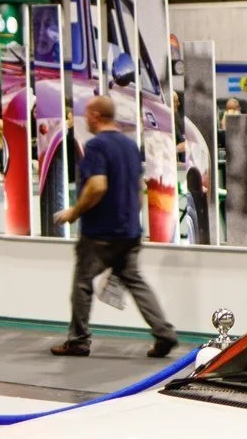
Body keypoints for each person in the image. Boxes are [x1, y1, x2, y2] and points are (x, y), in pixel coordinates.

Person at [52, 95, 180, 358]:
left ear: (96, 116)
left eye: (87, 114)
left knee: (82, 283)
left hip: (100, 232)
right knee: (136, 282)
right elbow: (140, 188)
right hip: (129, 231)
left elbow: (97, 186)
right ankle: (164, 333)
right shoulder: (130, 146)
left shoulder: (96, 146)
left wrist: (73, 213)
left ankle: (78, 340)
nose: (85, 119)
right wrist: (132, 219)